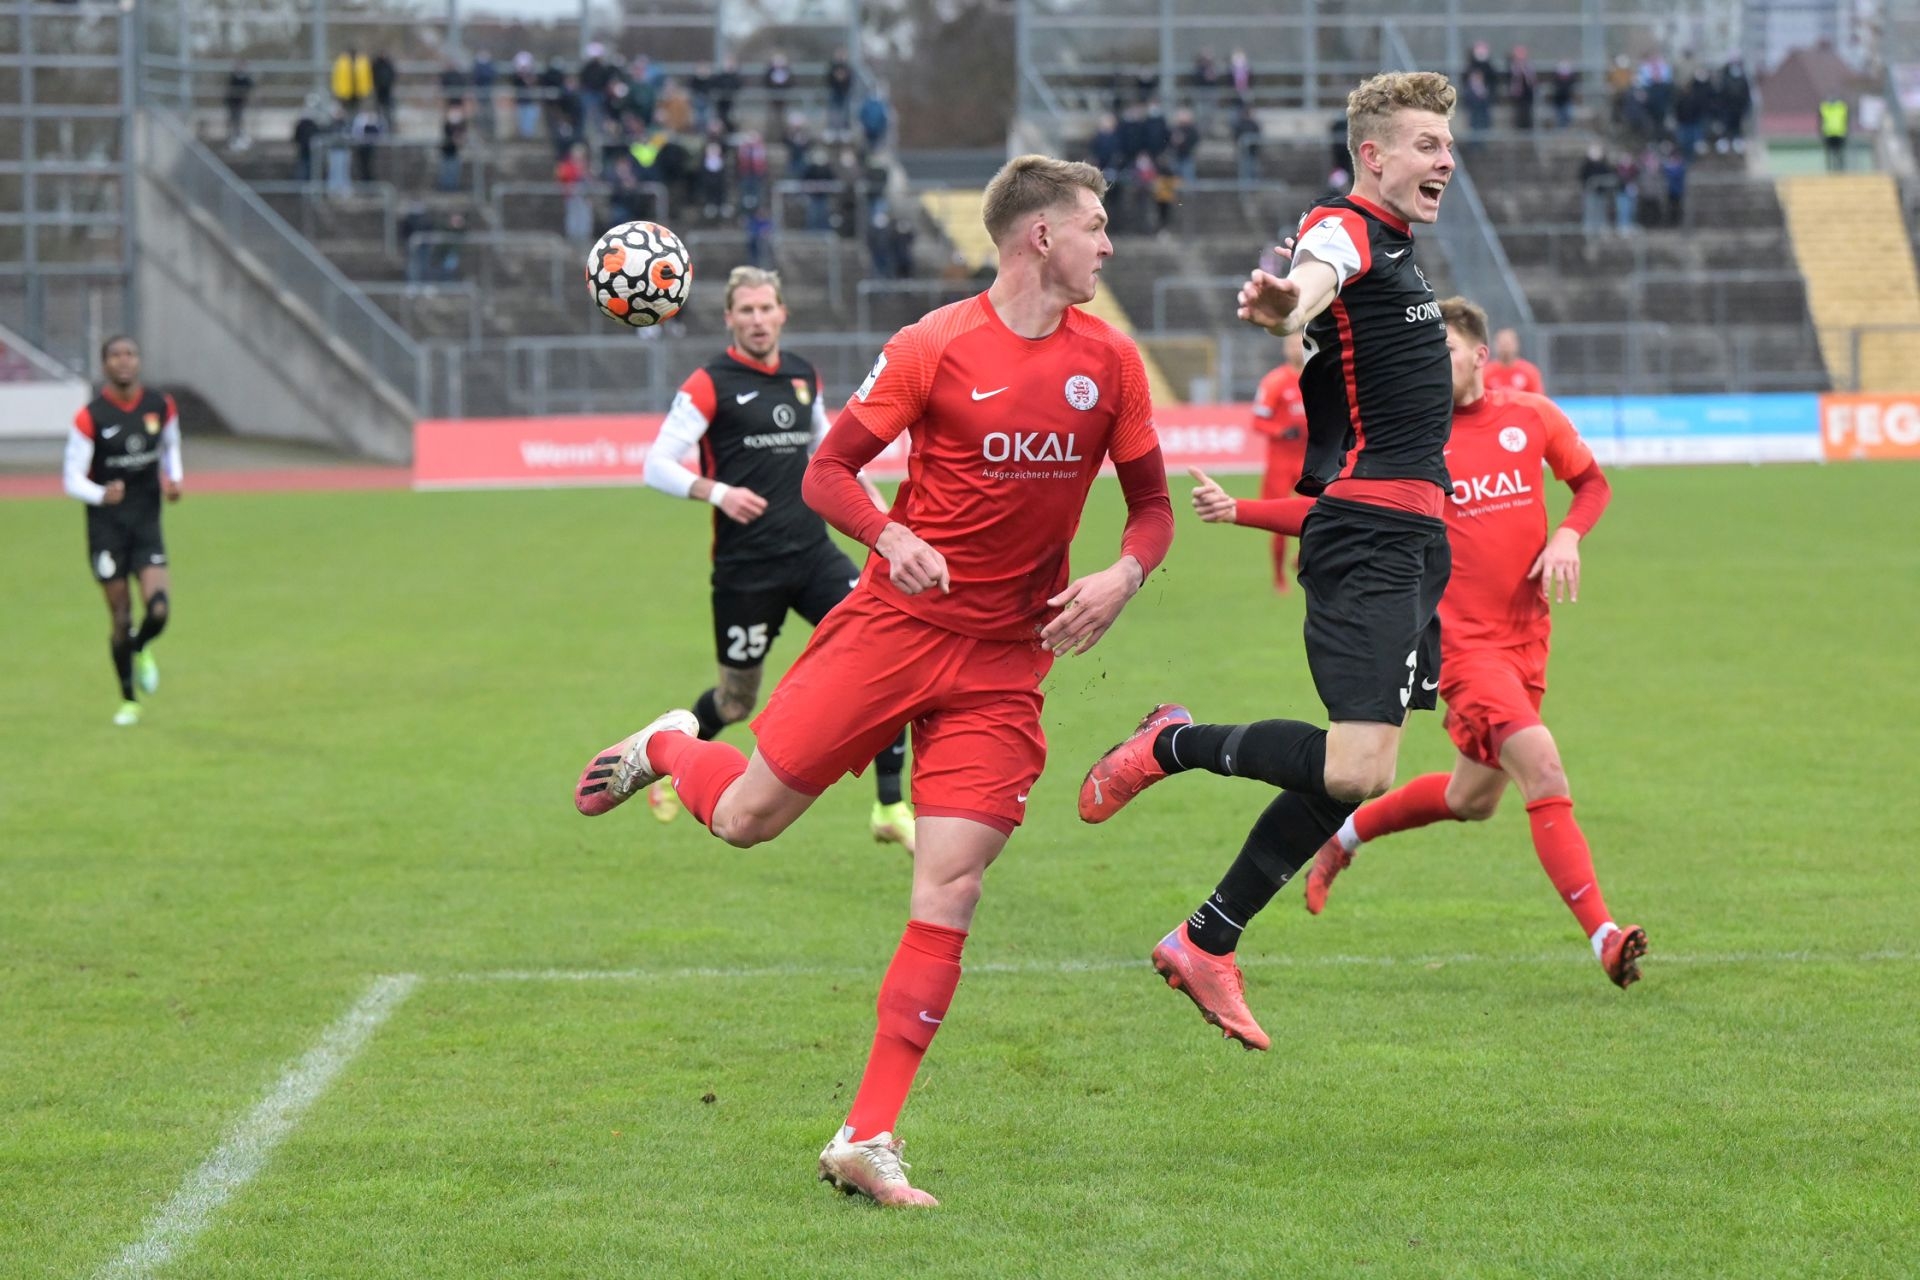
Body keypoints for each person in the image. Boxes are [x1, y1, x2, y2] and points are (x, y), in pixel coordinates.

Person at [571, 155, 1173, 1205]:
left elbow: (1153, 508)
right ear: (1040, 235)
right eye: (1094, 224)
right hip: (893, 627)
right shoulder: (932, 344)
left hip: (1004, 660)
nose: (1108, 243)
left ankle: (867, 1134)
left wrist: (1123, 575)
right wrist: (891, 535)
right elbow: (826, 472)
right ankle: (668, 742)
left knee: (952, 886)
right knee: (749, 819)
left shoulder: (1112, 362)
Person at [1078, 71, 1457, 1051]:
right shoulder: (1346, 227)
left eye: (1448, 145)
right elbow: (1315, 275)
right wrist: (1292, 301)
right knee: (1357, 764)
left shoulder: (1401, 254)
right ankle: (1171, 743)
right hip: (1369, 533)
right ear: (1372, 154)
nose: (1445, 160)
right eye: (1426, 144)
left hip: (1418, 542)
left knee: (1357, 774)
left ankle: (1208, 938)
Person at [1190, 297, 1644, 988]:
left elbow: (1590, 483)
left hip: (1528, 641)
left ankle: (1345, 835)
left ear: (1481, 357)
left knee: (1473, 799)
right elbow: (1337, 510)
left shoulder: (1532, 417)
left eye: (1446, 352)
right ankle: (1606, 936)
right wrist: (1238, 510)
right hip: (1460, 649)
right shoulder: (1409, 439)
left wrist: (1567, 536)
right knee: (1544, 769)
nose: (1432, 364)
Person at [635, 266, 918, 847]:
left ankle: (890, 805)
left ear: (783, 313)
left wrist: (878, 514)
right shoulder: (709, 383)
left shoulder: (801, 375)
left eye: (767, 308)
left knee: (885, 651)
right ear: (729, 319)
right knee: (736, 700)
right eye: (747, 310)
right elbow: (655, 464)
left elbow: (827, 453)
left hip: (814, 555)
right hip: (747, 571)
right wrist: (718, 492)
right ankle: (670, 755)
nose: (758, 320)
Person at [63, 336, 182, 727]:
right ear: (105, 365)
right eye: (115, 355)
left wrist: (174, 478)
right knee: (120, 616)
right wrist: (101, 493)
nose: (124, 361)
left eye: (130, 354)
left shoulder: (159, 405)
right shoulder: (90, 417)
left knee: (159, 609)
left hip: (146, 523)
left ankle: (140, 647)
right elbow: (70, 479)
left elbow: (171, 445)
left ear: (139, 361)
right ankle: (129, 700)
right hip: (107, 530)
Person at [1250, 332, 1308, 592]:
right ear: (1285, 349)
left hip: (1310, 461)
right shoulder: (1274, 381)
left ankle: (1302, 557)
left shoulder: (1318, 377)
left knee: (1319, 514)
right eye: (1292, 344)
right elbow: (1258, 421)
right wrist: (1281, 431)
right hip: (1281, 463)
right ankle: (1279, 577)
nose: (1296, 348)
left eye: (1300, 343)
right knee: (1278, 522)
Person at [1485, 327, 1543, 394]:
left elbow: (1538, 396)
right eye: (1502, 344)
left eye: (1508, 344)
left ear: (1516, 344)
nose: (1505, 348)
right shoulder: (1486, 372)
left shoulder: (1529, 371)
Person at [223, 62, 253, 149]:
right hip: (232, 103)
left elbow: (250, 88)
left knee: (239, 121)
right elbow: (229, 90)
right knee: (233, 121)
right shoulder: (233, 78)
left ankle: (239, 139)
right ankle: (233, 139)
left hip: (240, 104)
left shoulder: (246, 79)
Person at [1819, 96, 1849, 172]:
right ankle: (1831, 171)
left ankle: (1840, 170)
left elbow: (1846, 120)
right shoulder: (1825, 107)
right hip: (1829, 134)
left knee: (1839, 154)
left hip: (1839, 134)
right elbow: (1820, 121)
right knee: (1830, 155)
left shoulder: (1841, 107)